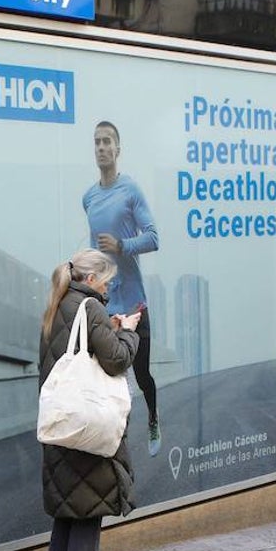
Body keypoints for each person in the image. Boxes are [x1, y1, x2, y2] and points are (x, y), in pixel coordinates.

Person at [40, 249, 140, 551]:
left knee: (72, 493)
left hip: (63, 418)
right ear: (93, 279)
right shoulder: (91, 308)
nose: (108, 287)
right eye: (107, 280)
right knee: (89, 498)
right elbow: (115, 361)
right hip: (88, 421)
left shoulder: (58, 305)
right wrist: (128, 333)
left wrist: (107, 330)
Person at [83, 120, 161, 456]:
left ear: (118, 149)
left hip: (133, 303)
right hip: (106, 305)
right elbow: (92, 248)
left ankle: (154, 417)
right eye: (97, 142)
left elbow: (153, 237)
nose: (102, 147)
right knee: (110, 379)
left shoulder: (130, 191)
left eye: (107, 142)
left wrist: (121, 245)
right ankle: (117, 439)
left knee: (141, 374)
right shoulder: (88, 198)